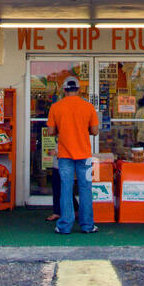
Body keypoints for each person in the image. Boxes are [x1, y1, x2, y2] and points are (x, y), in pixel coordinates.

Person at [46, 75, 100, 234]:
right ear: (79, 89)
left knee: (66, 190)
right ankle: (88, 225)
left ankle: (64, 226)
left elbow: (50, 132)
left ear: (64, 90)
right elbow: (95, 131)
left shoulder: (56, 107)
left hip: (64, 155)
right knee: (85, 189)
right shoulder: (88, 107)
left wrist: (59, 129)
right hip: (84, 155)